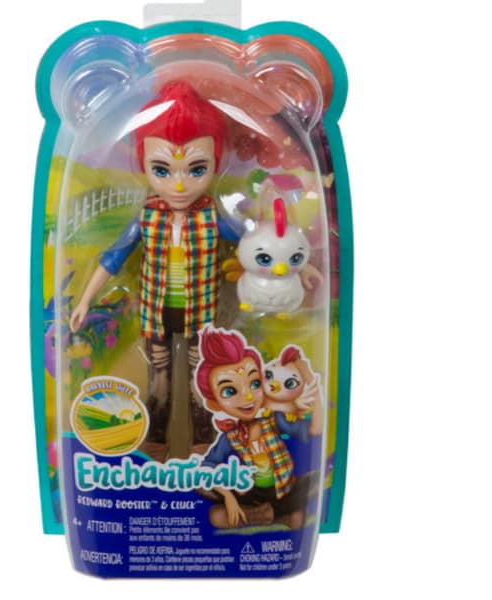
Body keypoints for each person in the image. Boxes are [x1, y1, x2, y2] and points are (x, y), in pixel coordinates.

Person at [69, 81, 242, 461]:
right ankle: (156, 444)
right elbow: (113, 258)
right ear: (144, 163)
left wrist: (284, 262)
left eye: (196, 169)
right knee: (159, 382)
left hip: (201, 314)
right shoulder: (147, 217)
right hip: (155, 314)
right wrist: (84, 301)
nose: (179, 184)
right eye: (162, 169)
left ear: (215, 163)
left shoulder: (212, 216)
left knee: (200, 382)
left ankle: (203, 445)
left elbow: (250, 246)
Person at [194, 326, 322, 529]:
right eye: (229, 391)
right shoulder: (230, 437)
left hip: (282, 490)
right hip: (251, 494)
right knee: (214, 511)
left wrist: (308, 377)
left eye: (254, 384)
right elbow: (206, 468)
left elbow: (315, 429)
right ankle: (271, 516)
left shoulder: (275, 420)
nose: (248, 396)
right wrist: (228, 495)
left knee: (311, 487)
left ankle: (263, 515)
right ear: (214, 404)